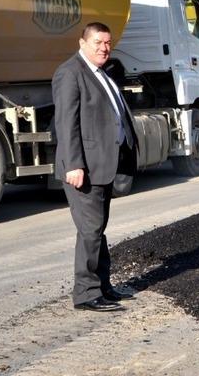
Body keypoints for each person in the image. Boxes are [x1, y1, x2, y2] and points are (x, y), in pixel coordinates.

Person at [52, 22, 137, 312]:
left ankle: (102, 286)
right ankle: (86, 294)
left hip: (102, 165)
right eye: (99, 42)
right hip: (83, 167)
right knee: (90, 230)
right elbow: (67, 123)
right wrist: (74, 164)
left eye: (108, 43)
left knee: (97, 228)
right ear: (83, 43)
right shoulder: (70, 73)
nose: (105, 48)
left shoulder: (101, 73)